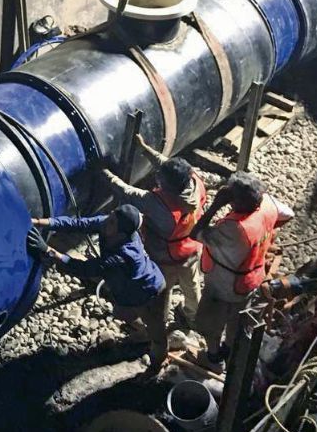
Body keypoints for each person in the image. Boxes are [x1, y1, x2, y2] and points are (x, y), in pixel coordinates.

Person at [28, 204, 168, 375]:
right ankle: (143, 334)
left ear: (121, 234)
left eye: (111, 222)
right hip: (127, 291)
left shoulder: (124, 256)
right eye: (110, 217)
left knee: (158, 335)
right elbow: (78, 224)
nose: (106, 221)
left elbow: (84, 269)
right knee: (121, 314)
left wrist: (49, 251)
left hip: (150, 292)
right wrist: (38, 222)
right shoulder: (109, 225)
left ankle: (154, 368)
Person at [190, 172, 293, 372]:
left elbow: (196, 233)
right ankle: (230, 352)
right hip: (251, 279)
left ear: (237, 202)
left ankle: (213, 358)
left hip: (223, 285)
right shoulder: (268, 205)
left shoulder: (235, 229)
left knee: (211, 323)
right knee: (237, 322)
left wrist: (216, 204)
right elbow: (289, 213)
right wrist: (267, 234)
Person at [101, 134, 207, 327]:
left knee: (161, 291)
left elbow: (126, 191)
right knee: (191, 286)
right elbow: (166, 164)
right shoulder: (194, 182)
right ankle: (194, 316)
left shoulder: (157, 204)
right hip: (192, 248)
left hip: (166, 257)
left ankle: (160, 322)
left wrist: (104, 172)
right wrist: (145, 147)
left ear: (168, 186)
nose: (157, 178)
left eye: (161, 179)